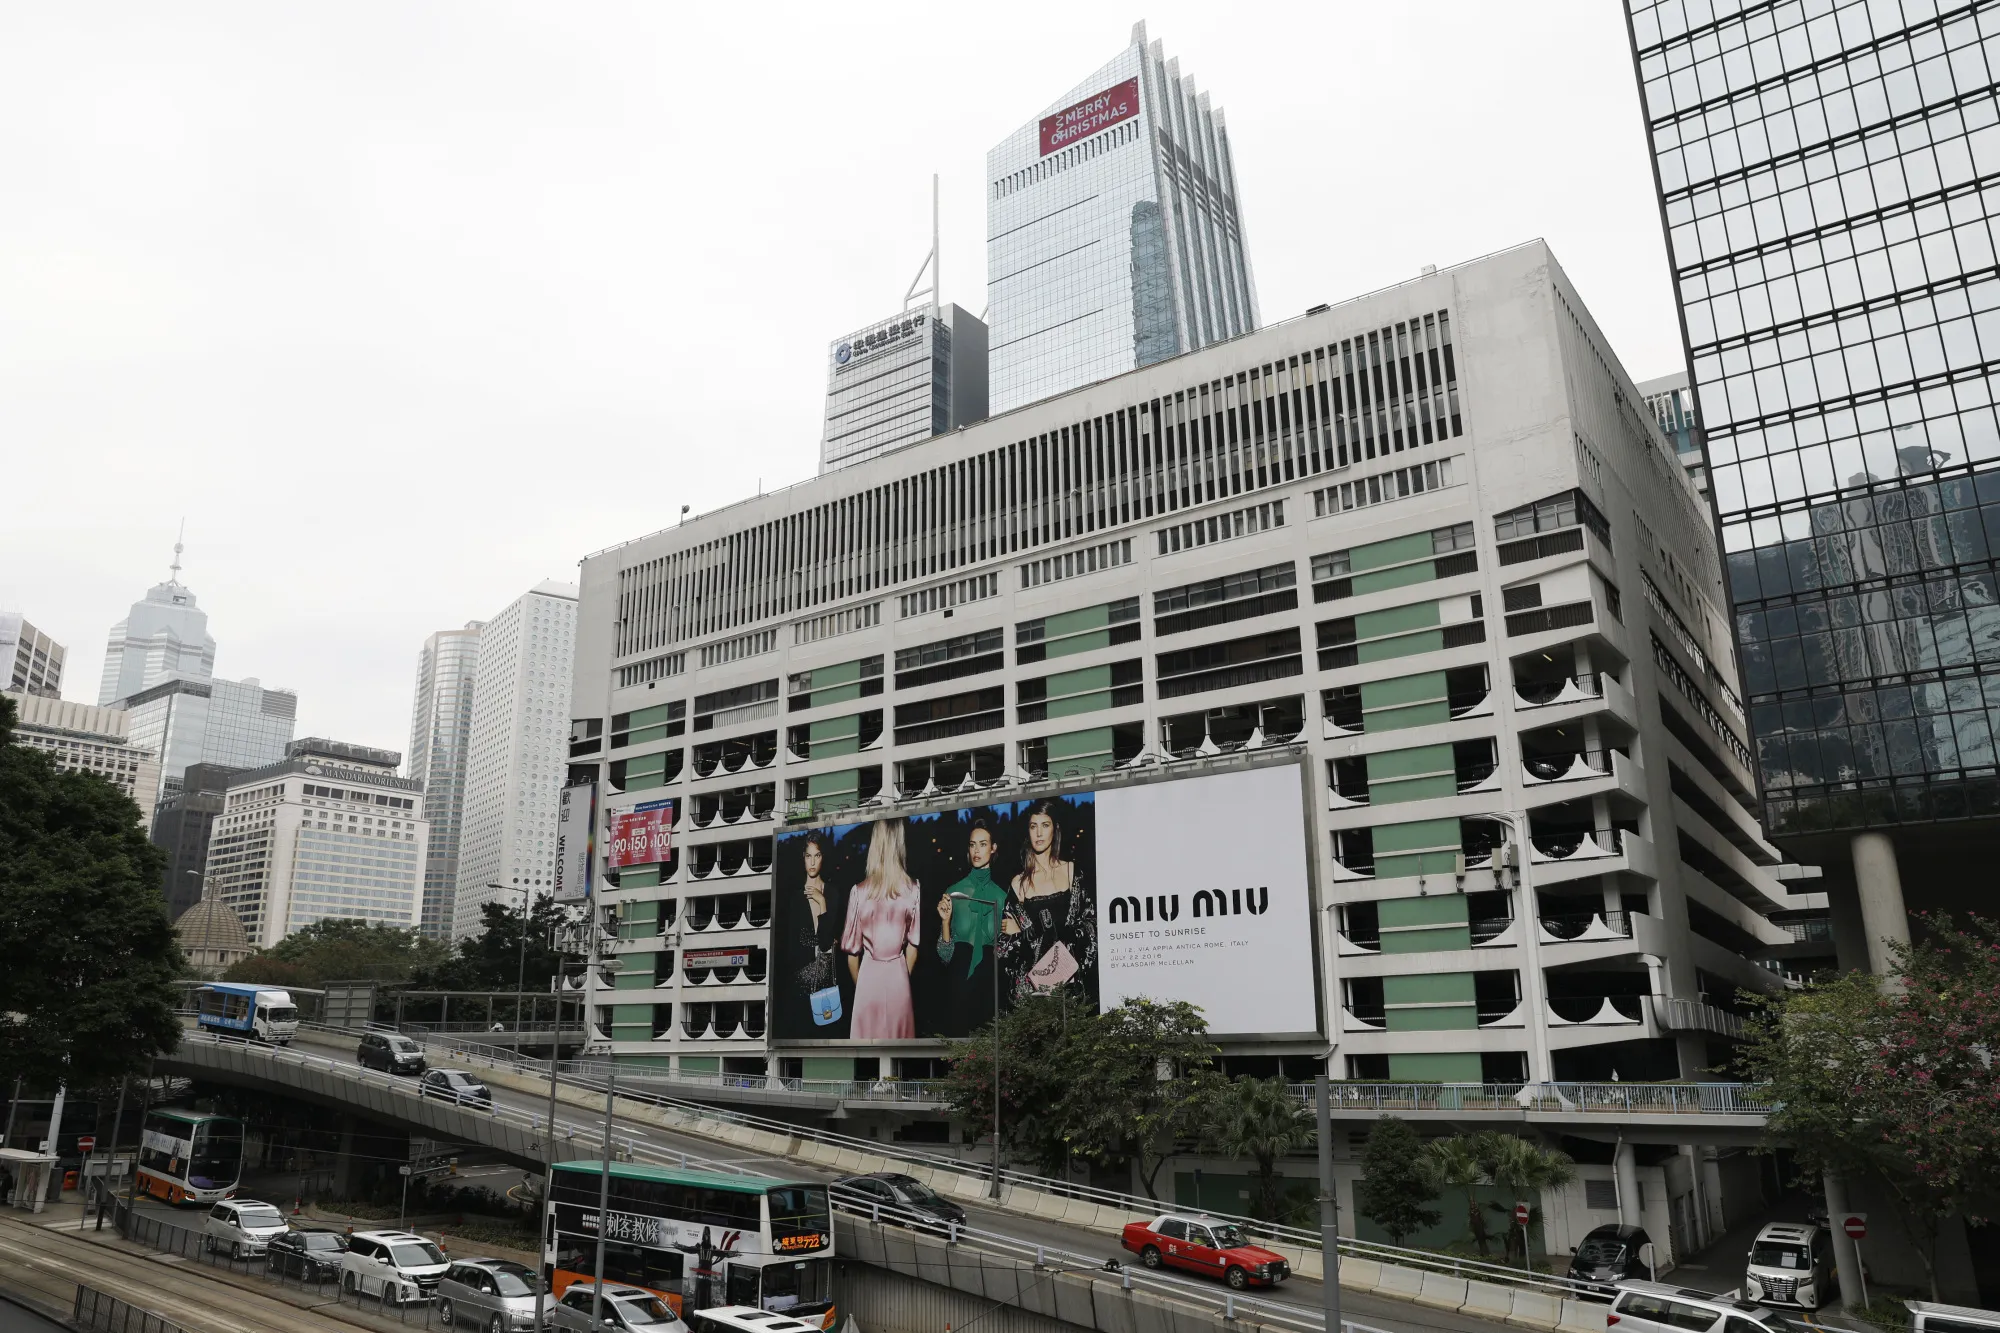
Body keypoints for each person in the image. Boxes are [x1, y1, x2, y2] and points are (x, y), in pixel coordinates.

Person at [1000, 798, 1095, 1000]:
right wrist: (1019, 935)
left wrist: (1037, 929)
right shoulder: (1018, 884)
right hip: (1031, 993)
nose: (1039, 833)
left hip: (1068, 987)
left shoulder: (1071, 872)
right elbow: (1003, 948)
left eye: (1045, 825)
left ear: (1055, 829)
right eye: (1033, 826)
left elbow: (1091, 925)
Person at [840, 820, 921, 1038]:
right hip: (899, 979)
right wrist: (900, 977)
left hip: (867, 979)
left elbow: (851, 956)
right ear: (899, 843)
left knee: (864, 1059)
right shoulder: (913, 889)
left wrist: (866, 987)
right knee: (901, 1058)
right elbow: (913, 946)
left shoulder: (858, 891)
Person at [936, 818, 1020, 1026]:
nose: (977, 850)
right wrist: (945, 923)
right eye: (973, 844)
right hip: (958, 988)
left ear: (993, 848)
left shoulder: (1003, 896)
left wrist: (1017, 932)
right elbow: (945, 956)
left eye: (983, 844)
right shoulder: (954, 892)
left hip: (990, 989)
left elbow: (1013, 956)